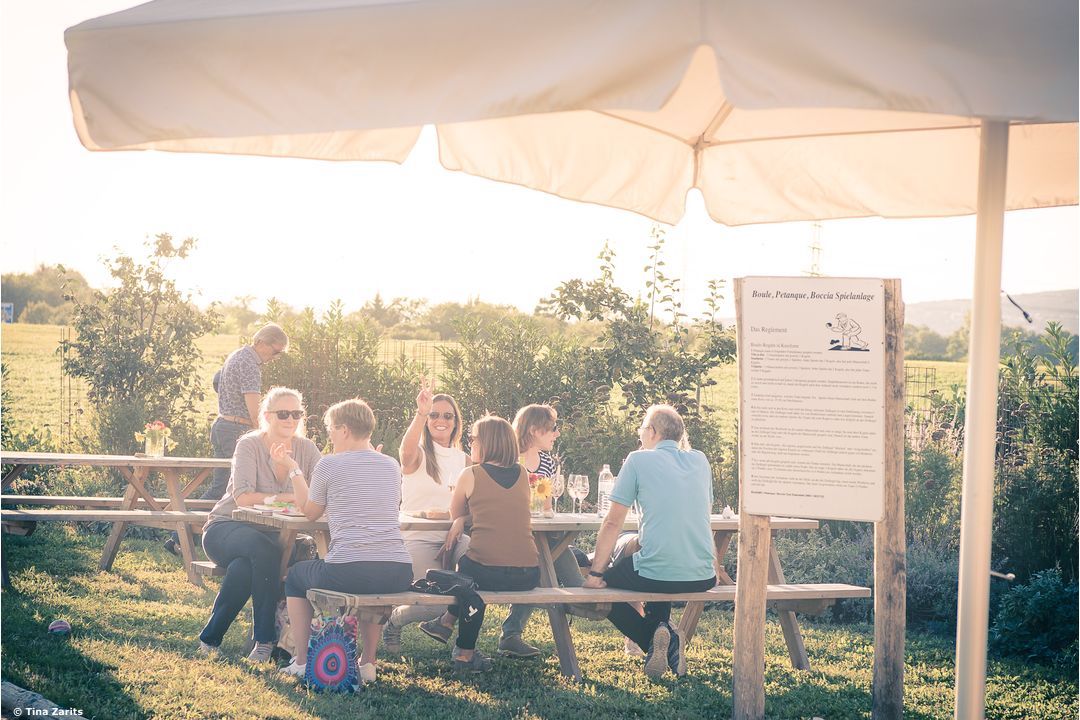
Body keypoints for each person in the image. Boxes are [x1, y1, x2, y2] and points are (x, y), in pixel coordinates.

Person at [281, 398, 413, 685]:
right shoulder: (391, 465)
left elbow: (310, 511)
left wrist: (293, 469)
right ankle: (368, 663)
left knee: (294, 577)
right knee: (371, 586)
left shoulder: (329, 464)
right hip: (398, 570)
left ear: (343, 430)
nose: (328, 435)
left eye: (329, 428)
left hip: (351, 569)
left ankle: (302, 661)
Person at [582, 404, 717, 680]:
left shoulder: (637, 460)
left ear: (653, 432)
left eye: (642, 427)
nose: (639, 433)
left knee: (604, 588)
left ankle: (652, 638)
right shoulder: (700, 461)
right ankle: (662, 630)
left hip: (656, 572)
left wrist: (596, 572)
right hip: (703, 576)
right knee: (647, 554)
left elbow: (612, 522)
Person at [197, 387, 321, 662]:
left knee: (245, 568)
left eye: (297, 414)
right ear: (267, 416)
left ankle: (209, 639)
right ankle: (264, 640)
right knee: (264, 551)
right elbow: (243, 498)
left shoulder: (307, 449)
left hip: (275, 536)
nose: (291, 420)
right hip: (226, 527)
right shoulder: (250, 444)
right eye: (283, 414)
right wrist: (291, 496)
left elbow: (321, 492)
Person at [417, 415, 540, 674]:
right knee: (468, 576)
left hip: (488, 574)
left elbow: (454, 513)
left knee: (464, 576)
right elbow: (502, 510)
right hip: (529, 574)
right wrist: (467, 517)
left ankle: (461, 648)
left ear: (488, 443)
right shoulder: (522, 474)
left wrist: (461, 519)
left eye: (473, 438)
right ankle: (446, 623)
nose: (470, 442)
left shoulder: (471, 474)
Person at [165, 323, 289, 557]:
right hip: (235, 429)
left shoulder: (238, 355)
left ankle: (180, 536)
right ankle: (179, 535)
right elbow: (255, 412)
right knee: (226, 488)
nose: (276, 357)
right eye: (275, 351)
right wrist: (266, 437)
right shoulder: (250, 365)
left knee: (221, 486)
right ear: (261, 343)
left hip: (224, 425)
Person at [382, 379, 470, 653]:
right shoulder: (418, 454)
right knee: (437, 603)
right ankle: (394, 621)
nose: (440, 420)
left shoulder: (465, 460)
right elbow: (405, 452)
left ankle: (466, 649)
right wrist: (421, 413)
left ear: (456, 422)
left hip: (455, 538)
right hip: (419, 538)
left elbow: (472, 505)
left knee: (477, 579)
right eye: (434, 415)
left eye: (447, 416)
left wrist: (459, 520)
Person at [497, 403, 581, 658]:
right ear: (534, 430)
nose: (556, 434)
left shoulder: (546, 461)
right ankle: (512, 634)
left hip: (543, 534)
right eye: (552, 429)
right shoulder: (507, 459)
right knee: (539, 566)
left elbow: (547, 506)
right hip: (510, 536)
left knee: (578, 586)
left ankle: (517, 631)